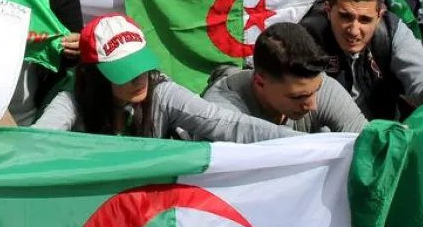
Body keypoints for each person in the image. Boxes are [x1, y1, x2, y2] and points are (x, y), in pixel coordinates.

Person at [32, 14, 298, 141]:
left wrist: (303, 142)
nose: (140, 78)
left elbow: (230, 124)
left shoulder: (163, 93)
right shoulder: (70, 102)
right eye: (125, 71)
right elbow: (37, 142)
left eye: (142, 66)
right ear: (95, 76)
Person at [299, 0, 423, 121]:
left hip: (383, 132)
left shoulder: (391, 30)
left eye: (365, 20)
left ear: (379, 17)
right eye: (345, 16)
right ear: (328, 10)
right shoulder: (306, 38)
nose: (354, 31)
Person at [202, 22, 367, 133]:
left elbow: (369, 144)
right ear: (260, 83)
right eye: (298, 96)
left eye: (315, 90)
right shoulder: (220, 113)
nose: (312, 105)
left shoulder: (314, 84)